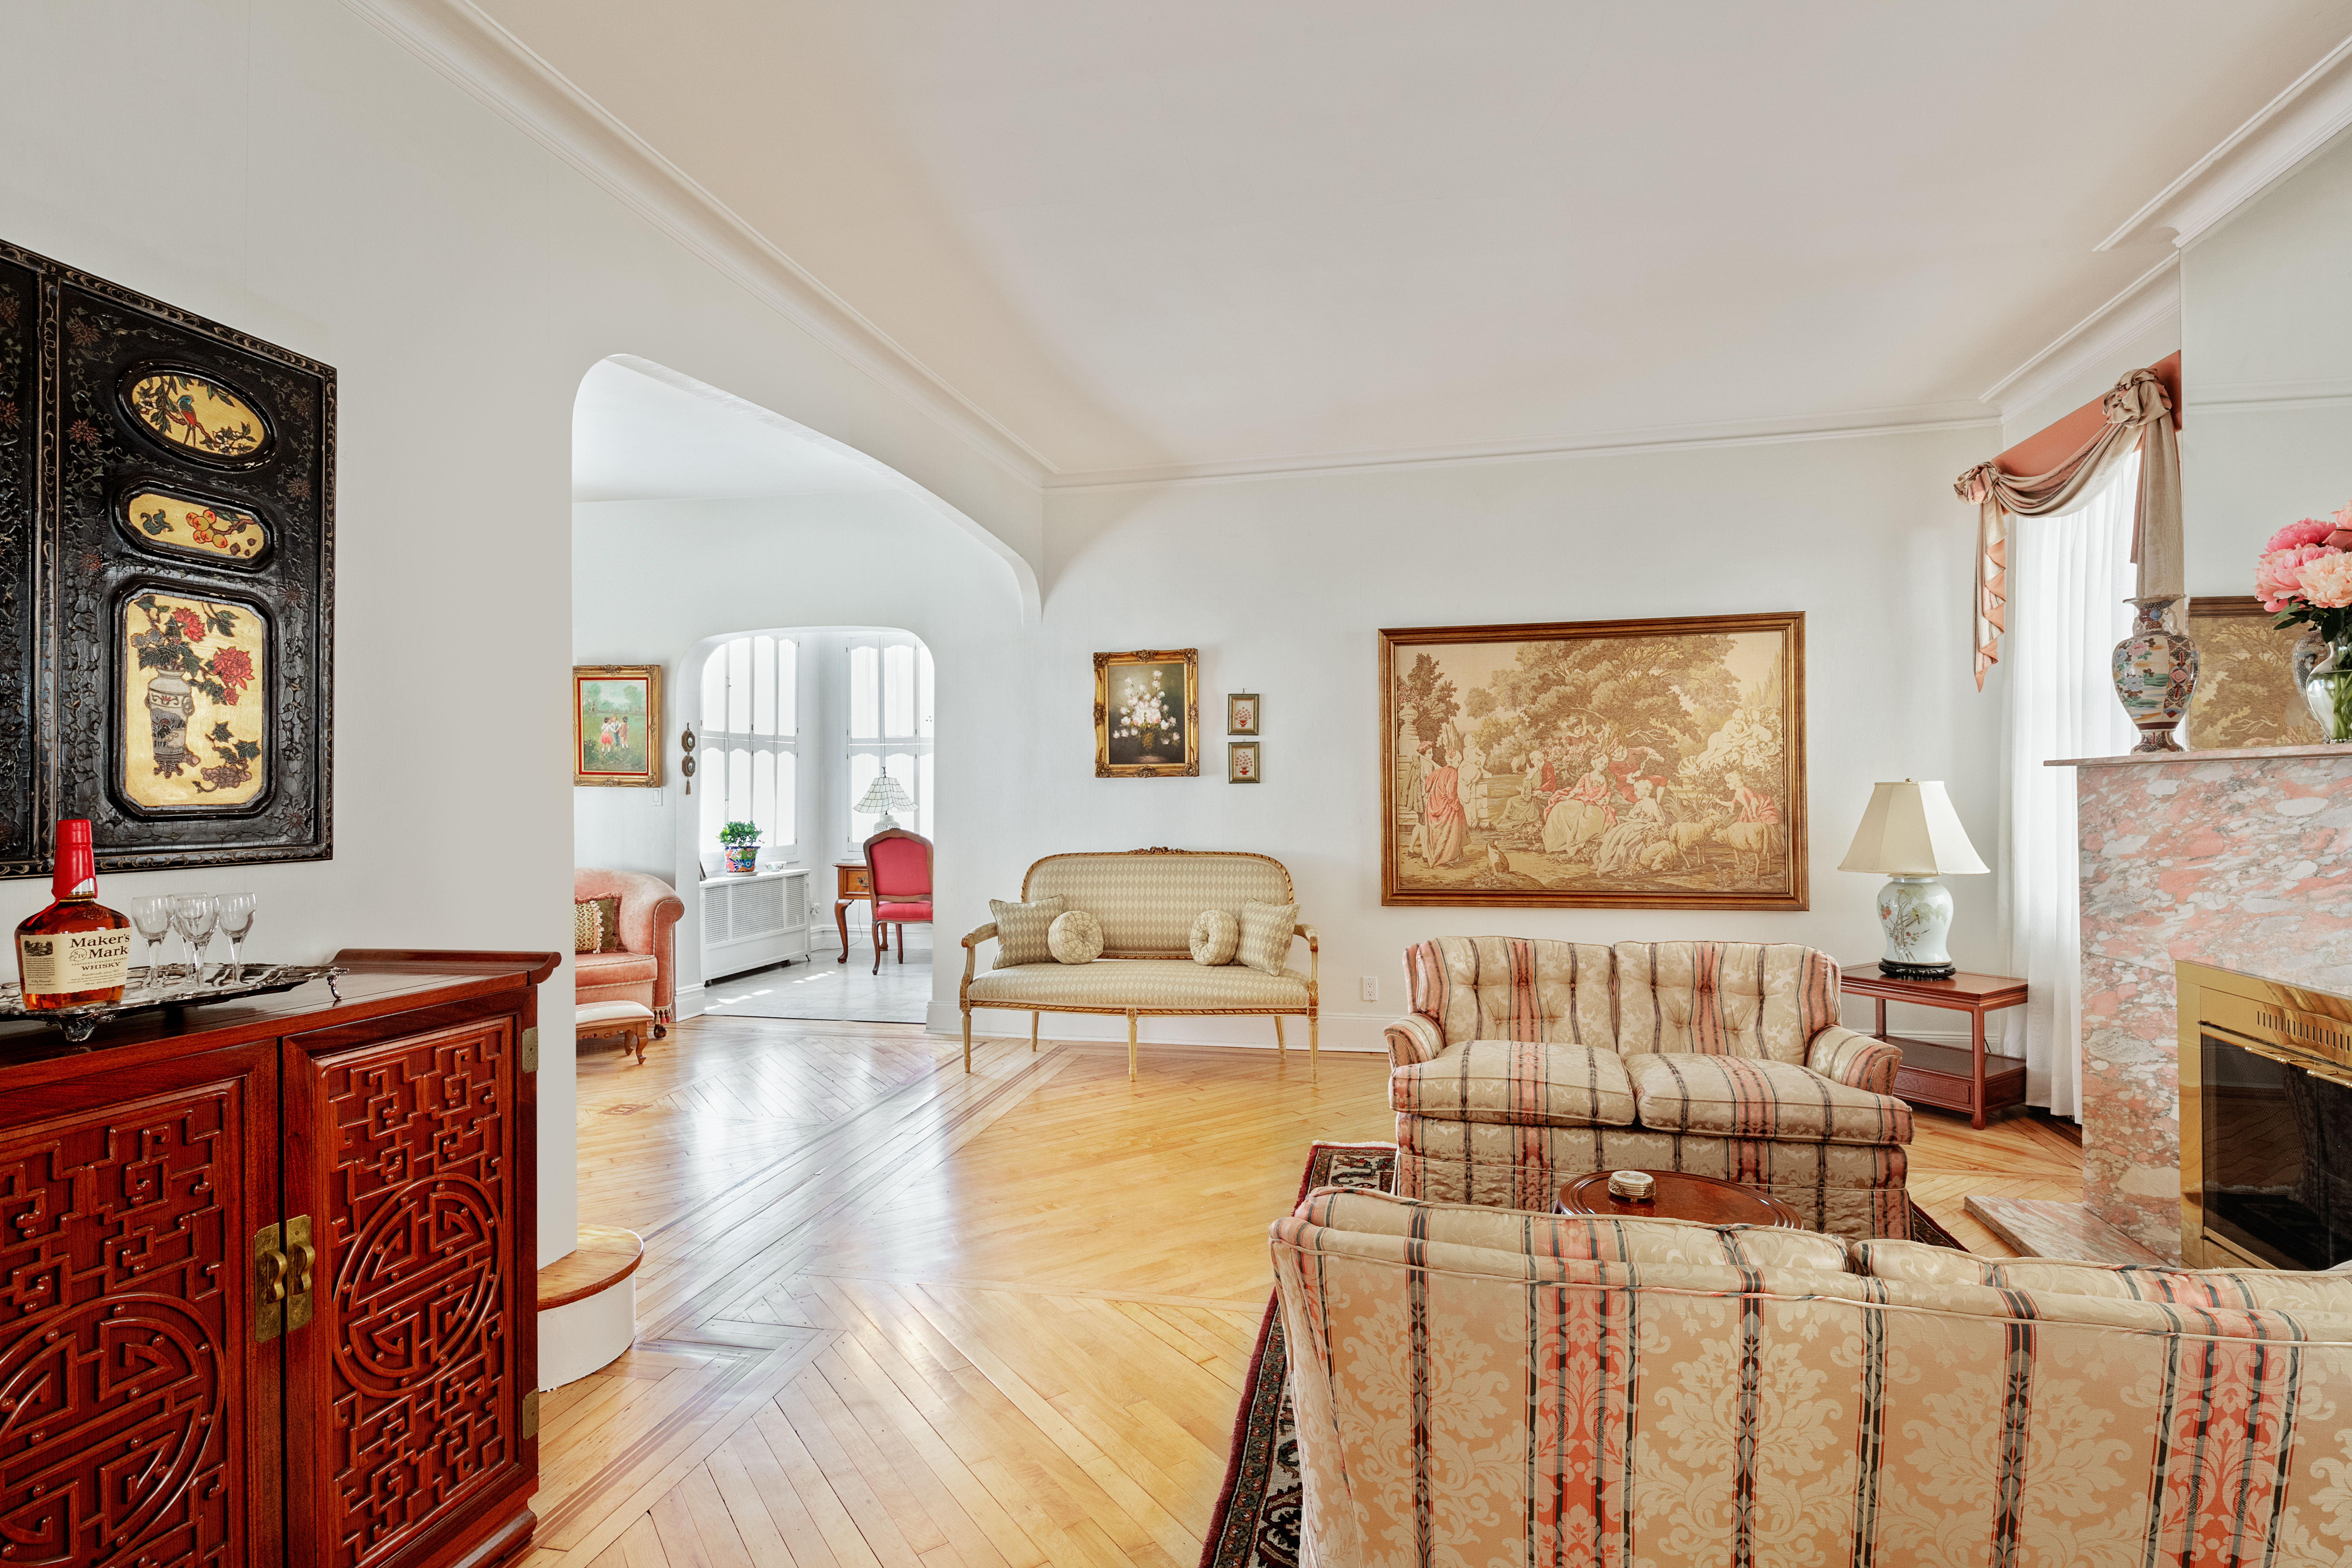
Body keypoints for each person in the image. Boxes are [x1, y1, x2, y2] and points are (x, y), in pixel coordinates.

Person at [1421, 745, 1467, 868]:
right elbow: (1451, 794)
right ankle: (1449, 857)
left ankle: (1437, 856)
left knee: (1438, 833)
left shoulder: (1439, 770)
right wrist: (1457, 806)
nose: (1459, 764)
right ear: (1453, 761)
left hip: (1433, 806)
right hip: (1445, 807)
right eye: (1458, 761)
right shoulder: (1453, 772)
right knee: (1455, 823)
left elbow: (1427, 785)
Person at [1458, 737, 1489, 829]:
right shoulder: (1466, 750)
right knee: (1462, 770)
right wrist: (1471, 761)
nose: (1473, 746)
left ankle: (1480, 771)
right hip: (1467, 764)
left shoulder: (1476, 749)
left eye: (1474, 744)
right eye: (1471, 744)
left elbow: (1483, 754)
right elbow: (1466, 759)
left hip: (1475, 764)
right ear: (1467, 744)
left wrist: (1479, 759)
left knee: (1479, 764)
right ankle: (1466, 782)